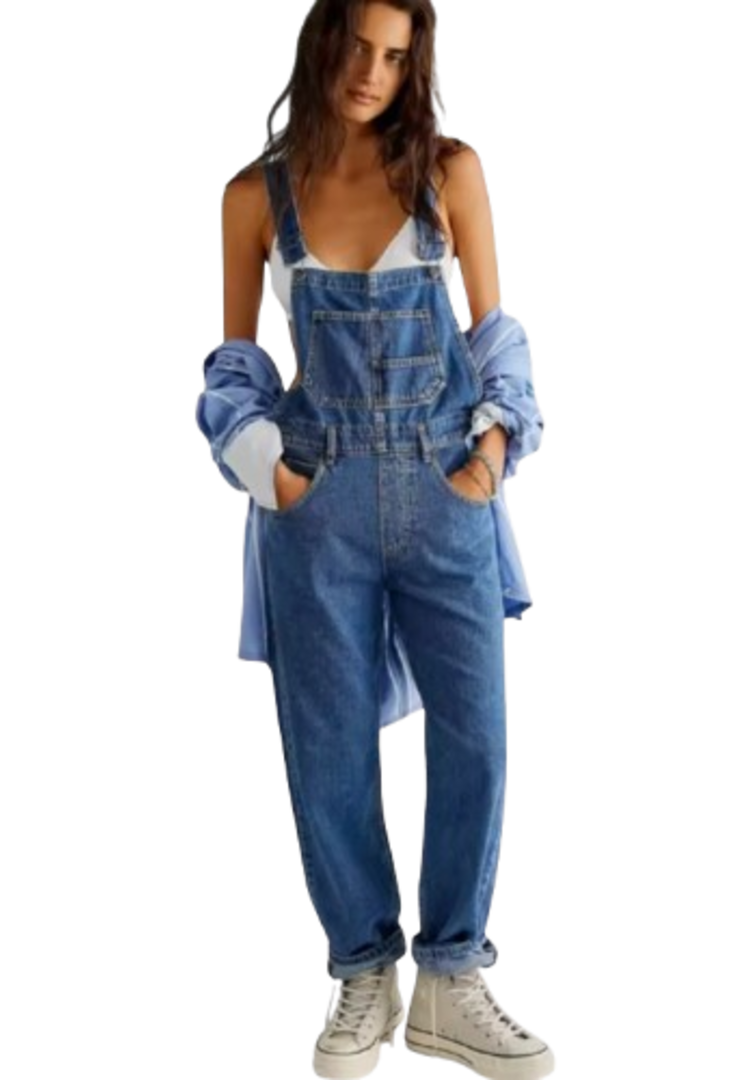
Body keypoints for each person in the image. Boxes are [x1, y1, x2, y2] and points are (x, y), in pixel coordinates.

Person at [194, 2, 553, 1077]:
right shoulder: (254, 195)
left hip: (447, 489)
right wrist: (276, 475)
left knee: (478, 734)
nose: (372, 72)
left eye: (397, 57)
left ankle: (450, 979)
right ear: (320, 45)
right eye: (357, 47)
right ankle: (361, 970)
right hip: (319, 508)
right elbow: (234, 362)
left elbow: (496, 332)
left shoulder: (451, 172)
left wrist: (489, 458)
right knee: (329, 744)